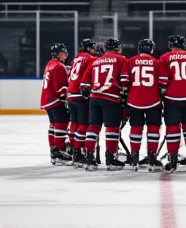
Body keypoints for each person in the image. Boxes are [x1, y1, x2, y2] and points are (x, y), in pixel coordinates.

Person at [80, 38, 129, 170]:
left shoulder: (96, 61)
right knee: (112, 128)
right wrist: (124, 99)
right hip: (111, 97)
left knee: (93, 127)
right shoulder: (121, 59)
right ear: (117, 48)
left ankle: (89, 157)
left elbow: (84, 84)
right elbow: (125, 81)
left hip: (94, 97)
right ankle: (111, 159)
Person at [159, 35, 186, 173]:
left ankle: (173, 159)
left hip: (173, 98)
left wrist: (162, 93)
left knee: (173, 130)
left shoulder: (165, 57)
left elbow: (163, 80)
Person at [127, 39, 163, 172]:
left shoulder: (130, 61)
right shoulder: (157, 62)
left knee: (136, 128)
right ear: (151, 49)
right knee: (153, 129)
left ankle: (134, 157)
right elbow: (162, 82)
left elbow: (125, 81)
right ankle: (152, 158)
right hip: (153, 100)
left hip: (134, 100)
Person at [66, 38, 97, 167]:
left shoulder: (76, 58)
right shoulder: (90, 58)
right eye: (93, 48)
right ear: (89, 48)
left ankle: (73, 147)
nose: (94, 50)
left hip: (71, 94)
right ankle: (78, 151)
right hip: (81, 94)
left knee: (75, 122)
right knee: (83, 124)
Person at [40, 43, 71, 164]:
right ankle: (58, 151)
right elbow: (60, 88)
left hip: (47, 99)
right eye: (63, 53)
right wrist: (66, 99)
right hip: (54, 99)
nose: (65, 55)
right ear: (60, 54)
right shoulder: (59, 66)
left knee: (53, 124)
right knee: (63, 122)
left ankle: (53, 150)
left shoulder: (50, 64)